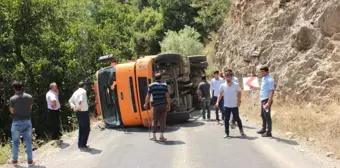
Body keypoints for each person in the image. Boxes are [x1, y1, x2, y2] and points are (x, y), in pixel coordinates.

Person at [8, 81, 35, 166]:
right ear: (22, 87)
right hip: (27, 121)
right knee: (28, 141)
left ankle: (14, 161)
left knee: (15, 142)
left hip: (16, 122)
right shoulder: (29, 97)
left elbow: (12, 111)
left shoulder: (12, 99)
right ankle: (30, 161)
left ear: (14, 89)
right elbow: (30, 109)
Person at [216, 72, 245, 138]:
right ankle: (227, 133)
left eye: (229, 76)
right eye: (226, 76)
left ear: (231, 77)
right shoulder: (222, 85)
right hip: (226, 106)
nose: (227, 78)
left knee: (237, 118)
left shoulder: (236, 85)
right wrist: (217, 102)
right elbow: (220, 94)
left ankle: (241, 130)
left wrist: (239, 101)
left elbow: (239, 93)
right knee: (226, 120)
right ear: (225, 77)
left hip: (234, 105)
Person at [144, 73, 171, 142]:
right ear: (161, 78)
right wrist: (169, 105)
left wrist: (145, 104)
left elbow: (148, 96)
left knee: (154, 121)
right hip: (163, 105)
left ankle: (154, 136)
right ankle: (161, 137)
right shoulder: (164, 85)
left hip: (155, 106)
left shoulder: (151, 86)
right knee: (162, 121)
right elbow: (167, 96)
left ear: (154, 78)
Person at [68, 82, 91, 150]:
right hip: (83, 111)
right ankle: (83, 144)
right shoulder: (83, 91)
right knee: (86, 129)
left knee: (81, 128)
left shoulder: (75, 92)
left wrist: (74, 107)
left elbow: (70, 101)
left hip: (78, 112)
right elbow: (81, 100)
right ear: (84, 86)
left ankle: (80, 144)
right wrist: (79, 106)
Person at [257, 66, 275, 137]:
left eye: (262, 71)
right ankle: (264, 128)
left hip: (267, 100)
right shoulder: (264, 78)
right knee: (263, 114)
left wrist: (268, 102)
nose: (261, 73)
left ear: (266, 71)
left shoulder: (269, 80)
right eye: (261, 71)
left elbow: (272, 91)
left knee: (267, 116)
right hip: (263, 100)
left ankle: (269, 132)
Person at [46, 82, 62, 146]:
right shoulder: (52, 94)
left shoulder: (50, 93)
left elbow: (56, 96)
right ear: (52, 87)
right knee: (56, 124)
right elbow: (53, 100)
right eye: (56, 86)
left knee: (54, 124)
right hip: (54, 111)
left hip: (51, 110)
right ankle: (57, 140)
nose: (57, 87)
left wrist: (57, 91)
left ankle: (56, 139)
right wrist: (54, 106)